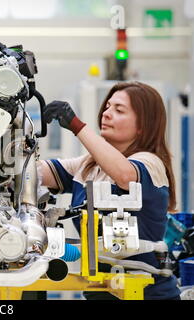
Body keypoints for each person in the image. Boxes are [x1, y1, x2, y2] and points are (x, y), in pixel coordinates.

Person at [37, 81, 181, 300]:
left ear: (143, 124)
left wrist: (76, 125)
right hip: (104, 292)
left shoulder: (150, 163)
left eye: (119, 110)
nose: (107, 113)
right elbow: (38, 172)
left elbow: (124, 175)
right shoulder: (89, 165)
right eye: (107, 107)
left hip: (148, 294)